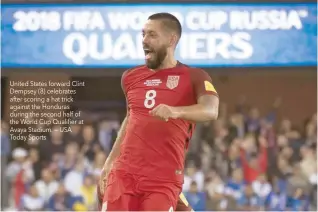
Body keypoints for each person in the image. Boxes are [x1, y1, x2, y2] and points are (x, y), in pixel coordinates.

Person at [99, 12, 219, 211]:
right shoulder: (131, 77)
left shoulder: (194, 76)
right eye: (143, 34)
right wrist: (110, 161)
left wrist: (175, 111)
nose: (144, 40)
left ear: (171, 40)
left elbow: (210, 110)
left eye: (152, 35)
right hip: (124, 173)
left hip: (163, 176)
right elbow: (131, 118)